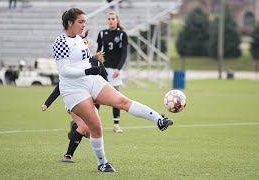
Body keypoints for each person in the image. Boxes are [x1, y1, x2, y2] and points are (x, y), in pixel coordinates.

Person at [52, 8, 173, 172]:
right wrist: (87, 71)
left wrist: (94, 64)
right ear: (70, 23)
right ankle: (102, 163)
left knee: (122, 101)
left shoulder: (80, 39)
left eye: (84, 21)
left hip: (90, 80)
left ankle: (159, 119)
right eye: (81, 22)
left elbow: (83, 61)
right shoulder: (60, 42)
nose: (84, 25)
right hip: (73, 89)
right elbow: (64, 71)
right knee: (96, 126)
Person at [42, 32, 107, 163]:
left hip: (92, 102)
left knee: (91, 132)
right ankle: (68, 156)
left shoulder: (96, 63)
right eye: (82, 43)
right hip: (74, 99)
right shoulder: (72, 65)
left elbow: (106, 83)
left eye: (86, 43)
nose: (84, 45)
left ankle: (75, 128)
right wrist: (47, 103)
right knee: (83, 126)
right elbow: (61, 85)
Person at [96, 12, 128, 133]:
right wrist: (98, 65)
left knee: (115, 97)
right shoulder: (102, 33)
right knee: (97, 96)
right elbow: (99, 51)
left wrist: (118, 68)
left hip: (115, 70)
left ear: (117, 20)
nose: (111, 21)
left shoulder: (122, 35)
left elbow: (124, 54)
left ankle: (116, 125)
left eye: (113, 19)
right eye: (109, 19)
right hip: (103, 70)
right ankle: (94, 121)